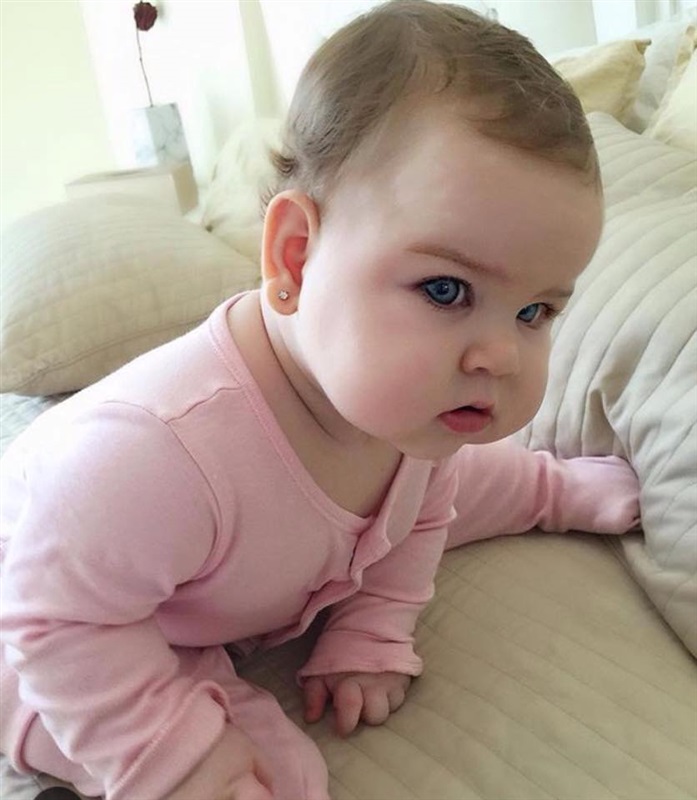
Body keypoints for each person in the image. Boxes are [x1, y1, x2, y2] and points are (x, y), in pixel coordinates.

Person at [0, 2, 640, 799]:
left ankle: (552, 485)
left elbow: (421, 521)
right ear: (296, 258)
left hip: (216, 583)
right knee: (270, 772)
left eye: (535, 311)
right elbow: (53, 621)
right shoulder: (155, 453)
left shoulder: (409, 408)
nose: (500, 357)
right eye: (446, 290)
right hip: (50, 606)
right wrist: (180, 759)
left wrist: (373, 631)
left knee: (456, 485)